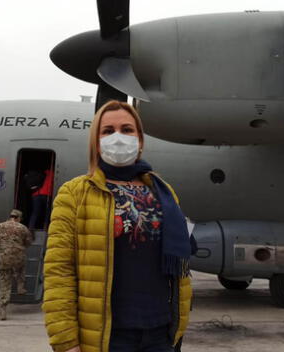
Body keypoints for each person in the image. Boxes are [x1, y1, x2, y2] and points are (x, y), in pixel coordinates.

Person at [43, 101, 192, 352]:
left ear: (140, 140)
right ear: (96, 142)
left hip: (161, 332)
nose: (118, 137)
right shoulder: (75, 193)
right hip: (108, 336)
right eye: (108, 131)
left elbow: (180, 266)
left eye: (127, 129)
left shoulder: (164, 193)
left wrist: (178, 327)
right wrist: (66, 340)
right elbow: (59, 270)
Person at [0, 209, 32, 320]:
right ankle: (20, 286)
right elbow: (28, 242)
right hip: (18, 258)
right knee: (21, 268)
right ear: (19, 218)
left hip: (4, 259)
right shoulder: (23, 228)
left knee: (4, 284)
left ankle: (2, 310)